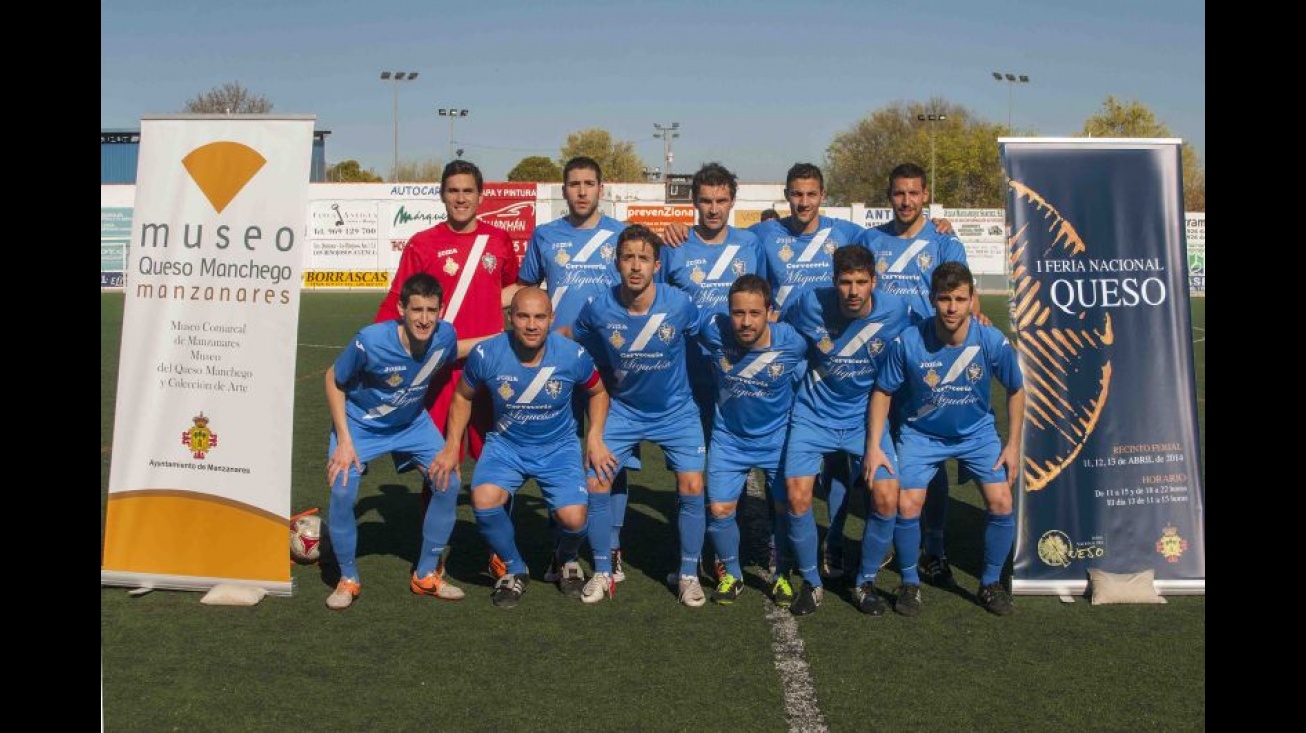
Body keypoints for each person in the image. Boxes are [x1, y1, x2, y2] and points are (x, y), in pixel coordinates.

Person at [432, 288, 618, 607]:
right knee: (483, 498)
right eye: (523, 316)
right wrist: (452, 445)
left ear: (551, 320)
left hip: (558, 448)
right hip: (507, 446)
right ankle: (515, 569)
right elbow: (462, 396)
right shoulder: (486, 354)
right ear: (510, 317)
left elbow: (598, 393)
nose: (531, 325)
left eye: (540, 317)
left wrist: (595, 437)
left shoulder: (572, 355)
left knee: (574, 519)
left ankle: (565, 556)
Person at [865, 261, 1025, 617]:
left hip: (976, 434)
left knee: (1001, 502)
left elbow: (1016, 388)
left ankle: (989, 583)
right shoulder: (908, 342)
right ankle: (909, 583)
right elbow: (882, 391)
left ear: (972, 300)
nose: (952, 307)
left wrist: (1013, 445)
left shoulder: (990, 339)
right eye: (944, 299)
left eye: (959, 298)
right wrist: (875, 445)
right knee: (908, 506)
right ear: (931, 299)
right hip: (920, 435)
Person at [857, 162, 983, 590]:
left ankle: (935, 545)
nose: (906, 201)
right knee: (872, 454)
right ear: (888, 196)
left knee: (929, 458)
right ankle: (880, 535)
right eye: (898, 194)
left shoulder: (945, 240)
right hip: (878, 358)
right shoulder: (871, 240)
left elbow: (968, 299)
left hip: (929, 362)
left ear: (925, 194)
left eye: (913, 193)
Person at [571, 225, 708, 607]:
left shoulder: (679, 304)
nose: (635, 266)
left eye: (643, 258)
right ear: (616, 262)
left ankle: (687, 574)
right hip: (624, 411)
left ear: (656, 265)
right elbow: (577, 340)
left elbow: (709, 338)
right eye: (628, 257)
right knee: (597, 481)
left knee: (693, 488)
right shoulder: (598, 307)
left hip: (677, 411)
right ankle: (603, 569)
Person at [517, 156, 638, 584]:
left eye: (589, 183)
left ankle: (612, 547)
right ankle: (562, 549)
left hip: (611, 364)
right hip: (558, 365)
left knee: (611, 456)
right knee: (562, 456)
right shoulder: (545, 236)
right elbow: (527, 291)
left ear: (600, 188)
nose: (582, 191)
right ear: (563, 190)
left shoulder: (622, 235)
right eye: (574, 184)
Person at [779, 245, 911, 615]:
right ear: (833, 281)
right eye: (845, 282)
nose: (853, 291)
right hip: (813, 414)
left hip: (864, 418)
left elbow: (924, 338)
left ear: (874, 281)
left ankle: (864, 581)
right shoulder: (810, 304)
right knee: (798, 496)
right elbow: (781, 328)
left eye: (861, 282)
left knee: (887, 496)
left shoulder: (895, 311)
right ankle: (811, 582)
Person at [324, 273, 468, 610]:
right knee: (343, 490)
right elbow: (333, 380)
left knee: (449, 481)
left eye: (431, 310)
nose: (424, 319)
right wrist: (344, 440)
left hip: (410, 424)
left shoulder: (444, 335)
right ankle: (347, 578)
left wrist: (505, 337)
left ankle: (426, 574)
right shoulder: (370, 341)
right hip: (361, 426)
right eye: (416, 309)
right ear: (401, 308)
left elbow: (457, 349)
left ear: (440, 310)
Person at [373, 159, 520, 470]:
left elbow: (510, 290)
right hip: (440, 367)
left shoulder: (499, 240)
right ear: (442, 195)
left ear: (481, 195)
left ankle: (494, 518)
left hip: (488, 363)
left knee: (495, 458)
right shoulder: (422, 244)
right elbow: (396, 300)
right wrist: (375, 346)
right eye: (453, 191)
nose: (461, 198)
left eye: (468, 191)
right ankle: (435, 515)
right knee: (438, 460)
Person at [697, 275, 806, 604]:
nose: (745, 322)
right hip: (729, 439)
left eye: (755, 313)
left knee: (785, 507)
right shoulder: (712, 332)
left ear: (770, 312)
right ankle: (732, 574)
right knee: (719, 509)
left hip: (777, 439)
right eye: (738, 313)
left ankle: (783, 574)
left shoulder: (792, 342)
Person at [662, 162, 765, 437]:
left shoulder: (750, 243)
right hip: (688, 365)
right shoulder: (674, 246)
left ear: (732, 201)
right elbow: (658, 304)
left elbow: (764, 301)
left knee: (741, 443)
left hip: (740, 362)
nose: (714, 209)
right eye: (706, 201)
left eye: (721, 200)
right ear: (694, 201)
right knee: (694, 451)